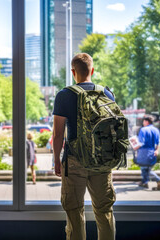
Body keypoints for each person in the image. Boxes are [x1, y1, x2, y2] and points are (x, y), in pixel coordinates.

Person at [53, 53, 116, 240]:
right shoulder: (106, 93)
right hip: (102, 160)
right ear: (92, 70)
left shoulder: (64, 95)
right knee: (104, 212)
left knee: (74, 211)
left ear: (73, 72)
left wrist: (57, 159)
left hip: (74, 160)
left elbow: (57, 134)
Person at [133, 115, 160, 190]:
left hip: (144, 151)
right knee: (145, 168)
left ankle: (159, 180)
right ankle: (145, 182)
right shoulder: (156, 130)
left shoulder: (143, 130)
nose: (143, 122)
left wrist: (135, 147)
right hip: (152, 151)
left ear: (146, 121)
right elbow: (158, 142)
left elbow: (141, 142)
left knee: (145, 169)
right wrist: (156, 150)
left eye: (143, 121)